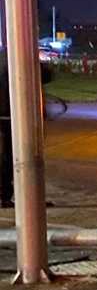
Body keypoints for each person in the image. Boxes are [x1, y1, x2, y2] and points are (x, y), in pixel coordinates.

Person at [0, 61, 53, 209]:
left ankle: (6, 194)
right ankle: (29, 195)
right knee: (29, 153)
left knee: (8, 154)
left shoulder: (4, 57)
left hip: (6, 113)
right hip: (21, 113)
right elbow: (46, 75)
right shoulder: (23, 55)